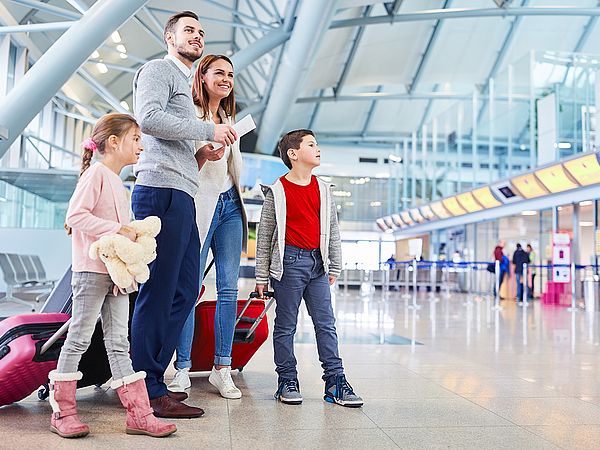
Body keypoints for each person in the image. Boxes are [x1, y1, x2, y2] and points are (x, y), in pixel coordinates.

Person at [130, 10, 237, 419]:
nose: (197, 36)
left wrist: (200, 153)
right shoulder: (159, 70)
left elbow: (174, 141)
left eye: (201, 32)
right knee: (158, 292)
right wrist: (207, 131)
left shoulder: (181, 81)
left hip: (182, 191)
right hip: (159, 192)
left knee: (184, 289)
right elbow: (149, 118)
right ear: (169, 36)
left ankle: (155, 378)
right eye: (188, 30)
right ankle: (145, 385)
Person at [50, 114, 176, 439]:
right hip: (92, 271)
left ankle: (140, 415)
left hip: (117, 275)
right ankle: (62, 412)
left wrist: (128, 235)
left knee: (120, 343)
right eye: (136, 139)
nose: (141, 146)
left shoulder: (117, 181)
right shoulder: (96, 174)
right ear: (114, 142)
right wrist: (117, 228)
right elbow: (76, 216)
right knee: (78, 337)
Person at [255, 129, 363, 408]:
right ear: (293, 154)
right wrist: (261, 277)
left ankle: (336, 381)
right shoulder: (277, 190)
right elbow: (265, 235)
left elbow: (333, 231)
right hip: (288, 264)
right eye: (311, 144)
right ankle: (287, 380)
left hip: (318, 264)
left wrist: (334, 265)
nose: (318, 149)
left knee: (326, 324)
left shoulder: (323, 189)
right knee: (286, 326)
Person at [168, 55, 247, 399]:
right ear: (203, 76)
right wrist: (205, 155)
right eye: (219, 72)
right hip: (200, 204)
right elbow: (185, 165)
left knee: (229, 289)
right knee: (190, 285)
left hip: (230, 204)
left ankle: (222, 367)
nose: (226, 78)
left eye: (230, 74)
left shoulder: (229, 119)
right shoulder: (190, 116)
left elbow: (233, 166)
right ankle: (182, 367)